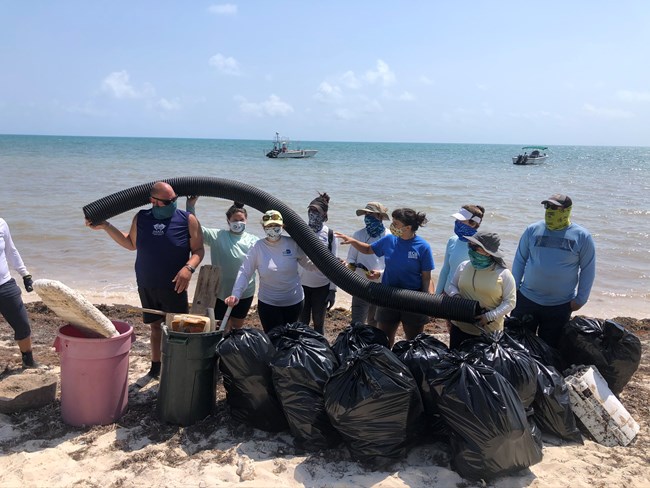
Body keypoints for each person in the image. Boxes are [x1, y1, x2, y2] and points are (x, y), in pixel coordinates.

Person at [87, 181, 204, 384]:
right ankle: (155, 367)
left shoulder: (187, 219)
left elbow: (199, 250)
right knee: (155, 327)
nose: (173, 203)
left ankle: (176, 367)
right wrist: (106, 226)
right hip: (147, 282)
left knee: (178, 329)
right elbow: (130, 243)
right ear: (153, 201)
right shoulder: (141, 217)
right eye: (168, 201)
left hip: (175, 284)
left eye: (175, 199)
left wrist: (189, 269)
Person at [335, 208, 435, 347]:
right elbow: (369, 249)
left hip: (413, 299)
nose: (392, 226)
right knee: (384, 340)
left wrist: (427, 302)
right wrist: (352, 241)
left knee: (414, 342)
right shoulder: (389, 239)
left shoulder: (422, 246)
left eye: (395, 223)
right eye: (392, 222)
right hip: (388, 296)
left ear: (408, 227)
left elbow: (426, 277)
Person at [511, 194, 596, 348]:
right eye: (547, 206)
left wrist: (581, 299)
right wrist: (513, 288)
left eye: (555, 207)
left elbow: (587, 269)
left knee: (550, 349)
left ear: (567, 210)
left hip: (560, 305)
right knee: (517, 346)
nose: (550, 211)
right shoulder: (532, 230)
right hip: (527, 299)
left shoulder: (582, 236)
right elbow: (519, 259)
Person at [225, 210, 316, 333]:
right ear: (263, 227)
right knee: (273, 341)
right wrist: (236, 294)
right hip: (268, 304)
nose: (272, 229)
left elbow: (310, 265)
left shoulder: (292, 243)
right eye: (269, 226)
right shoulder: (257, 247)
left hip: (294, 302)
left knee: (291, 341)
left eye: (276, 226)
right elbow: (245, 272)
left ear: (282, 226)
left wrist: (333, 265)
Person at [186, 198, 258, 332]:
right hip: (220, 291)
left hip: (245, 292)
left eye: (241, 219)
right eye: (235, 220)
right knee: (219, 326)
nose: (238, 223)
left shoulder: (254, 240)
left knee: (236, 326)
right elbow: (194, 228)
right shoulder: (217, 236)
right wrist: (190, 206)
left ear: (246, 220)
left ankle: (232, 351)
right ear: (228, 221)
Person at [445, 231, 516, 349]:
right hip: (460, 327)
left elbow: (510, 302)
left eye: (475, 247)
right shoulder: (464, 266)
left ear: (489, 253)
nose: (471, 250)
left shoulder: (503, 274)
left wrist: (488, 316)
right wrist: (456, 296)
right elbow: (452, 285)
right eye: (470, 246)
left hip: (489, 332)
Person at [0, 218, 39, 368]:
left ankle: (28, 362)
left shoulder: (1, 223)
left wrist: (25, 274)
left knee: (22, 325)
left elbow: (11, 251)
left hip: (5, 285)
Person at [298, 192, 339, 334]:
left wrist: (332, 291)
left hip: (321, 287)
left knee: (318, 324)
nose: (312, 214)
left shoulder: (330, 235)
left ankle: (320, 351)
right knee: (301, 323)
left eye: (316, 212)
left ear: (324, 216)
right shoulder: (300, 231)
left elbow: (335, 265)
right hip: (301, 285)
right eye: (311, 210)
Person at [345, 201, 390, 326]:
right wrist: (350, 265)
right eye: (366, 214)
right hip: (360, 284)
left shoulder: (389, 236)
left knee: (374, 322)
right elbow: (351, 259)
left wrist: (379, 274)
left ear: (380, 217)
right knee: (357, 321)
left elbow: (392, 265)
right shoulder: (358, 235)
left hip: (381, 286)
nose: (367, 217)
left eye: (371, 215)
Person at [435, 205, 485, 294]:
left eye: (460, 221)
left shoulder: (482, 246)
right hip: (447, 294)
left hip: (467, 300)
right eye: (457, 220)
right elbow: (445, 270)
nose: (457, 223)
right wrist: (437, 294)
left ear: (473, 224)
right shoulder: (452, 240)